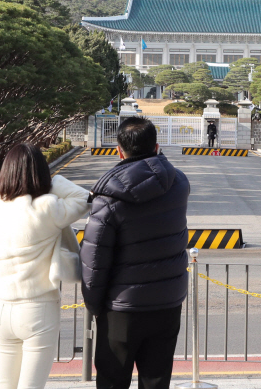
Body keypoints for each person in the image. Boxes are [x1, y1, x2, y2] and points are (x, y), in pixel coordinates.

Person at [80, 116, 190, 389]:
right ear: (156, 146)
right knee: (156, 380)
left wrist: (94, 306)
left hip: (122, 308)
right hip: (168, 302)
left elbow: (94, 261)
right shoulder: (178, 184)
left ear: (119, 150)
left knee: (112, 380)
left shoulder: (108, 198)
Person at [0, 143, 89, 389]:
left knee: (4, 385)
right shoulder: (47, 207)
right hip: (38, 307)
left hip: (3, 306)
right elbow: (85, 199)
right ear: (41, 172)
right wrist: (52, 182)